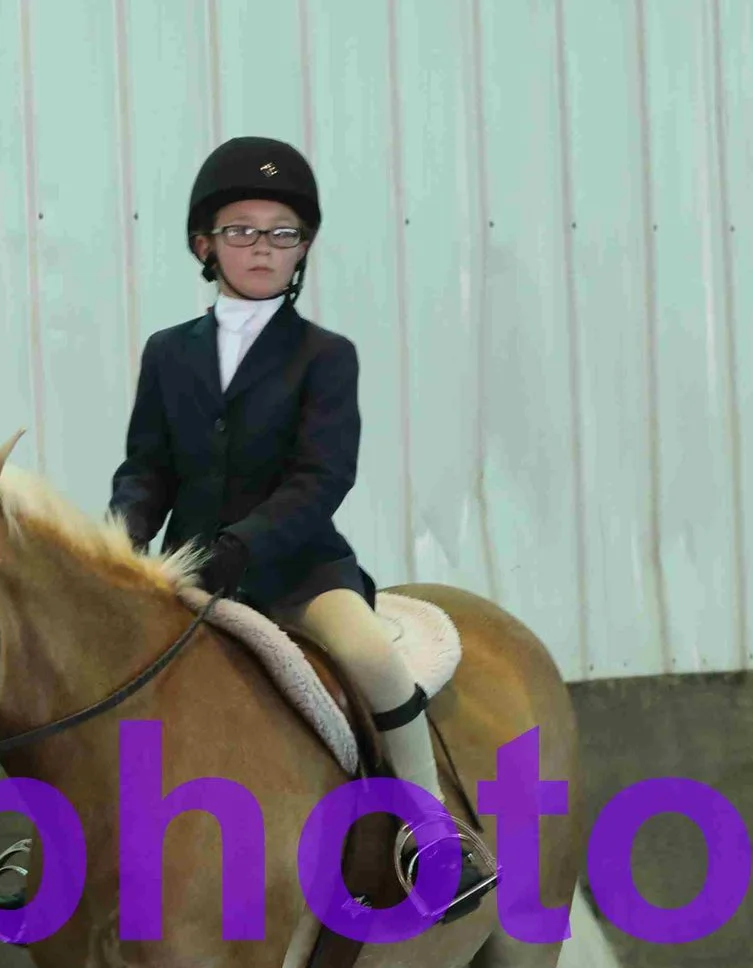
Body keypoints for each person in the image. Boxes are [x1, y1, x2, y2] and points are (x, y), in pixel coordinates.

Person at [109, 135, 496, 924]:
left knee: (372, 659)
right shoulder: (168, 353)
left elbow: (323, 478)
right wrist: (121, 537)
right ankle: (69, 852)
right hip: (187, 571)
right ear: (204, 245)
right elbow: (147, 466)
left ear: (302, 250)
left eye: (282, 233)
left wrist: (244, 547)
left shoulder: (325, 357)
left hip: (297, 573)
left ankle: (432, 836)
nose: (262, 247)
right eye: (241, 230)